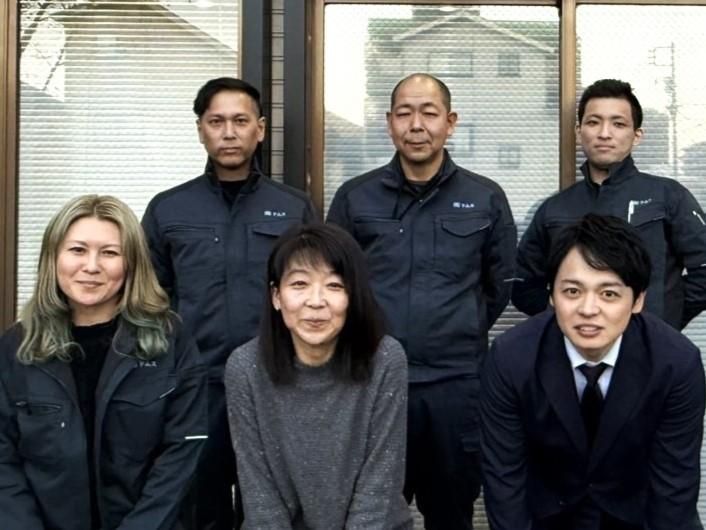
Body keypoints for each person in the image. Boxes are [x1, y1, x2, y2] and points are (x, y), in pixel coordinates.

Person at [327, 73, 516, 529]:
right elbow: (333, 283)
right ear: (389, 122)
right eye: (405, 113)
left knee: (451, 513)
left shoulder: (485, 198)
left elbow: (497, 287)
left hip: (456, 388)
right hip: (372, 383)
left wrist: (459, 327)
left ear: (450, 122)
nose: (417, 125)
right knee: (367, 515)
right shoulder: (355, 197)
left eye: (429, 113)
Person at [142, 77, 317, 529]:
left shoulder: (294, 208)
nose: (229, 132)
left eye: (240, 121)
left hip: (276, 383)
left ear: (260, 129)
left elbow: (313, 293)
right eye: (216, 121)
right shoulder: (168, 209)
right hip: (195, 389)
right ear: (200, 129)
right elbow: (148, 300)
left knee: (275, 508)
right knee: (202, 509)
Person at [481, 213, 705, 530]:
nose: (588, 310)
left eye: (608, 294)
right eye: (572, 292)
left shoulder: (676, 364)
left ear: (638, 300)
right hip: (547, 515)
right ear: (551, 294)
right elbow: (504, 481)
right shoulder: (511, 358)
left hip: (638, 515)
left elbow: (674, 486)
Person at [0, 194, 208, 530]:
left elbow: (183, 451)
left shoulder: (171, 341)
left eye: (110, 253)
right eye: (77, 250)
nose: (92, 266)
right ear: (53, 257)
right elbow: (4, 461)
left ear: (131, 263)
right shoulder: (16, 348)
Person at [224, 223, 412, 529]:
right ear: (276, 296)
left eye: (334, 285)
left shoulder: (385, 359)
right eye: (299, 284)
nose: (315, 301)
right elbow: (259, 495)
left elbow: (378, 489)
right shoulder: (245, 368)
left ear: (353, 296)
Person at [512, 78, 706, 330]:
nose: (604, 133)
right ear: (578, 131)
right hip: (575, 349)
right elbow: (522, 285)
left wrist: (664, 321)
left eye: (618, 124)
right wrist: (565, 318)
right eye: (593, 122)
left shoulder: (668, 196)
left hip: (649, 346)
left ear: (637, 136)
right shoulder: (553, 209)